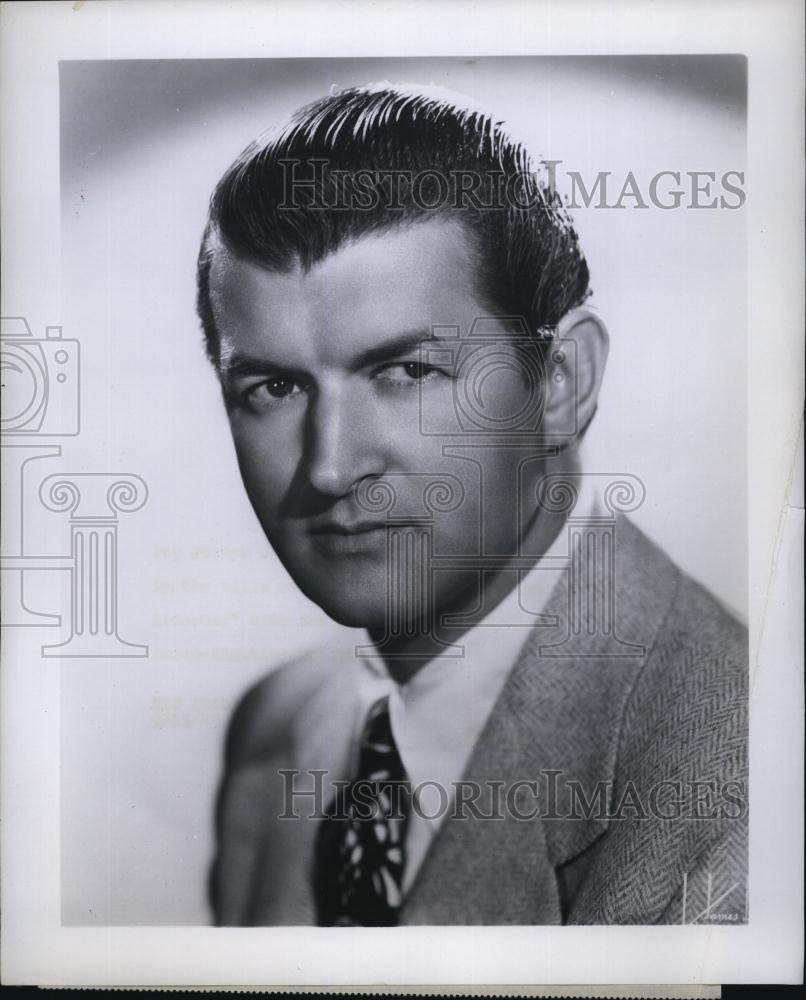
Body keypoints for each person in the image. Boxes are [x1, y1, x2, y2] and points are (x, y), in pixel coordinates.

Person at [196, 83, 748, 926]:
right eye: (274, 387)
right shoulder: (276, 728)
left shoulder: (749, 782)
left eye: (406, 372)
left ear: (561, 382)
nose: (330, 467)